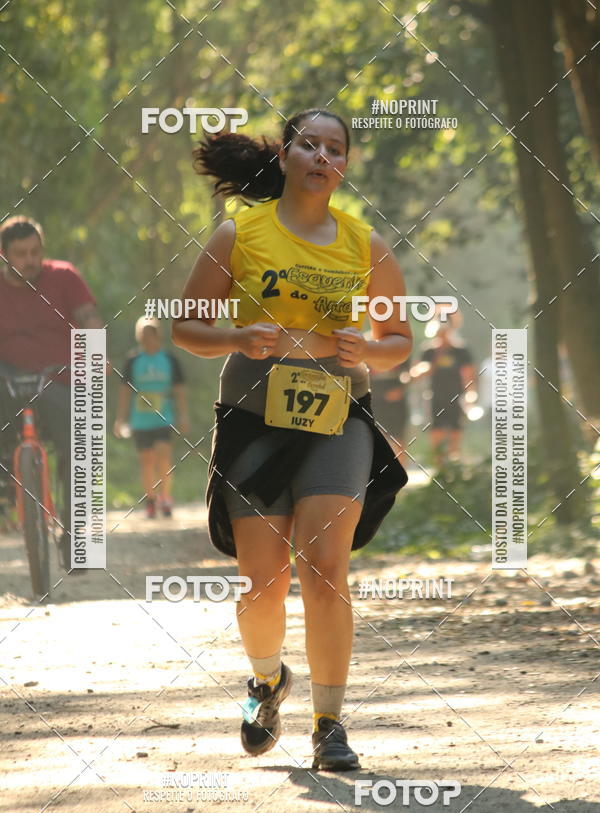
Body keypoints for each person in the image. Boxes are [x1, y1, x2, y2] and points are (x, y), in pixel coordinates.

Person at [172, 109, 412, 771]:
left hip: (338, 414)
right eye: (309, 144)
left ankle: (330, 725)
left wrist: (370, 347)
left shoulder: (367, 245)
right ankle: (266, 680)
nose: (322, 156)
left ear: (344, 165)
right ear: (284, 156)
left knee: (326, 568)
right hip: (254, 413)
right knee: (263, 582)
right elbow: (187, 329)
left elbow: (398, 346)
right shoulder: (238, 234)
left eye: (335, 148)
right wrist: (235, 338)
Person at [0, 216, 103, 571]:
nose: (30, 260)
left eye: (35, 252)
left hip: (60, 380)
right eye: (21, 254)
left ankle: (74, 535)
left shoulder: (63, 276)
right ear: (4, 255)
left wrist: (95, 355)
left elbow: (89, 316)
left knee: (79, 446)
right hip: (8, 379)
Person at [114, 317, 188, 518]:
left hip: (164, 417)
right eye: (142, 336)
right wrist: (120, 419)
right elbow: (125, 392)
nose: (146, 339)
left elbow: (179, 390)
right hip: (140, 419)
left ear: (158, 336)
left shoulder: (169, 359)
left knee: (163, 456)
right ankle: (150, 499)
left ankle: (165, 497)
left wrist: (183, 416)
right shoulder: (132, 361)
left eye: (150, 335)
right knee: (146, 460)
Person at [410, 313, 476, 469]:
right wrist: (430, 364)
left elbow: (469, 375)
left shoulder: (461, 350)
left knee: (455, 432)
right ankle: (439, 469)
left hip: (456, 398)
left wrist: (471, 395)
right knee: (436, 433)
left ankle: (455, 467)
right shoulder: (429, 350)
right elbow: (417, 372)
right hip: (434, 398)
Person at [369, 358, 411, 465]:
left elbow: (407, 372)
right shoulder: (366, 346)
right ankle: (380, 477)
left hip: (396, 404)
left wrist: (402, 387)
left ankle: (401, 476)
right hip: (373, 402)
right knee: (376, 441)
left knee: (398, 440)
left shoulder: (400, 346)